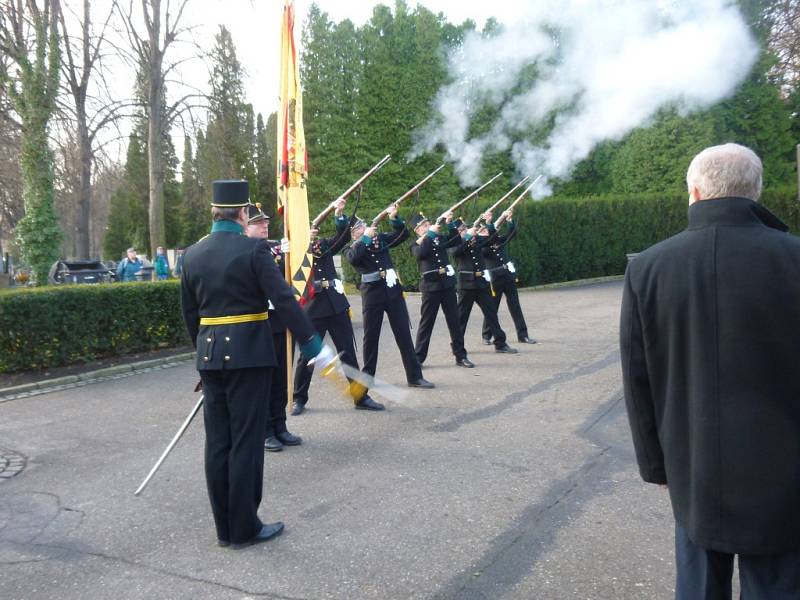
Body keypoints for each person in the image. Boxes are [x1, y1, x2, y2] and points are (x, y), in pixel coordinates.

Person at [620, 143, 800, 598]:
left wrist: (655, 466)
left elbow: (638, 380)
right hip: (786, 473)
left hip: (694, 466)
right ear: (756, 192)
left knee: (699, 586)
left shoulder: (649, 267)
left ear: (694, 192)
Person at [180, 179, 325, 549]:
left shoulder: (192, 255)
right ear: (243, 213)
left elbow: (190, 316)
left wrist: (203, 361)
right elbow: (285, 300)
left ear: (214, 212)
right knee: (246, 442)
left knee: (218, 443)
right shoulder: (254, 250)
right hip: (250, 357)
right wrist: (310, 342)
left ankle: (224, 529)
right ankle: (244, 528)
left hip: (211, 358)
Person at [292, 198, 385, 415]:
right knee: (308, 357)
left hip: (336, 305)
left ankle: (360, 396)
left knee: (348, 354)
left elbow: (342, 237)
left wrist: (339, 214)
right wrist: (302, 242)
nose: (313, 232)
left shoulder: (324, 244)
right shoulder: (295, 251)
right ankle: (299, 398)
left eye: (313, 228)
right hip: (312, 309)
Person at [345, 205, 435, 389]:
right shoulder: (352, 247)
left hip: (392, 290)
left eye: (363, 225)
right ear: (353, 233)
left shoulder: (380, 239)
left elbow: (401, 235)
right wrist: (365, 239)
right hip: (372, 294)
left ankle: (414, 376)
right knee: (371, 337)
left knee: (403, 334)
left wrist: (394, 218)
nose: (363, 228)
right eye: (359, 228)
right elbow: (354, 258)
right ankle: (368, 378)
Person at [244, 203, 305, 452]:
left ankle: (280, 426)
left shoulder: (274, 251)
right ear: (245, 226)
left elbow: (283, 283)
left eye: (266, 221)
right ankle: (266, 430)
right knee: (265, 380)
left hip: (279, 322)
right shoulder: (245, 252)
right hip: (259, 323)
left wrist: (287, 258)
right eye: (258, 222)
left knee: (281, 378)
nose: (265, 225)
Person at [409, 210, 474, 368]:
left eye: (428, 224)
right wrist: (430, 235)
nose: (428, 226)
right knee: (426, 324)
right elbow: (421, 254)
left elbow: (455, 240)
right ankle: (418, 358)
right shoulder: (415, 244)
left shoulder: (438, 238)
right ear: (417, 230)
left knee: (454, 322)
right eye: (424, 226)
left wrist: (450, 222)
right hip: (430, 287)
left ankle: (460, 355)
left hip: (447, 284)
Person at [450, 213, 517, 354]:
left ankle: (500, 343)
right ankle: (457, 347)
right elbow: (456, 252)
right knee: (461, 318)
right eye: (461, 230)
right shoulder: (455, 243)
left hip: (481, 283)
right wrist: (467, 237)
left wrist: (489, 223)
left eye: (464, 229)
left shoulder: (477, 240)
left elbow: (492, 238)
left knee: (492, 314)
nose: (464, 231)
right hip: (466, 285)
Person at [481, 209, 536, 345]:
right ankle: (486, 335)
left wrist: (509, 220)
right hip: (495, 278)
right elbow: (490, 240)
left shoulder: (498, 239)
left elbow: (512, 233)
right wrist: (489, 225)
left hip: (507, 276)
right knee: (492, 308)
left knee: (515, 306)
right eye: (485, 230)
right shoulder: (481, 244)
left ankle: (522, 335)